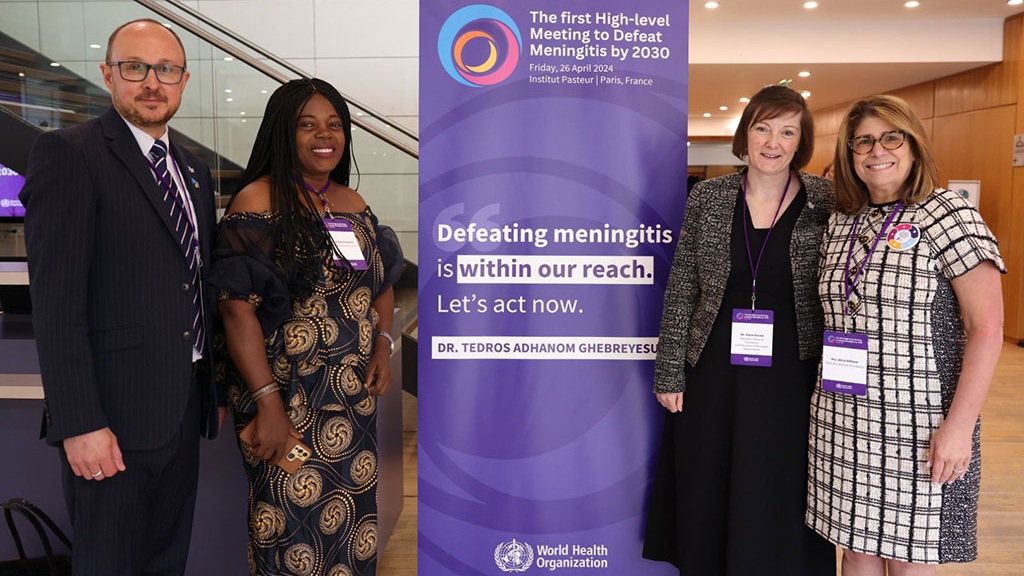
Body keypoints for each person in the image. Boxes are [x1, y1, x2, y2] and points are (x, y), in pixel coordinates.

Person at [18, 18, 222, 575]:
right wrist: (79, 422)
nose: (152, 82)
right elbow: (57, 307)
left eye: (167, 70)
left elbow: (193, 284)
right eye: (135, 67)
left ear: (182, 81)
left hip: (181, 409)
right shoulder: (69, 154)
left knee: (165, 560)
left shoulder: (194, 172)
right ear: (109, 75)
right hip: (109, 419)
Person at [210, 78, 402, 575]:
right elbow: (236, 310)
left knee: (354, 535)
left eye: (335, 124)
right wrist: (268, 404)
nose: (325, 135)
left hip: (352, 400)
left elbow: (379, 282)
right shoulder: (258, 200)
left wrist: (382, 348)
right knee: (289, 533)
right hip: (286, 400)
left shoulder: (352, 203)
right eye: (308, 124)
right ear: (283, 132)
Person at [643, 84, 837, 575]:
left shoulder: (827, 199)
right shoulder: (709, 196)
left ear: (801, 141)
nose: (773, 142)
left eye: (788, 131)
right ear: (745, 134)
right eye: (763, 128)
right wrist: (669, 373)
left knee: (779, 478)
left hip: (794, 371)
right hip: (712, 369)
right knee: (709, 475)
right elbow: (683, 285)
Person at [807, 95, 1004, 574]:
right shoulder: (841, 221)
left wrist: (958, 428)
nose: (878, 151)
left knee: (910, 556)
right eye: (863, 141)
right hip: (842, 416)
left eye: (891, 137)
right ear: (849, 154)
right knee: (855, 550)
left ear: (913, 144)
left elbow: (986, 329)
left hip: (919, 420)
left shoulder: (948, 215)